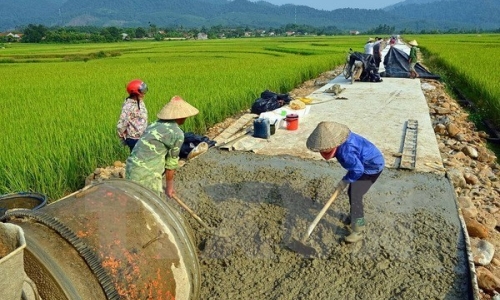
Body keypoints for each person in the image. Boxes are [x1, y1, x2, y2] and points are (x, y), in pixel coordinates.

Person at [306, 121, 385, 243]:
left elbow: (358, 170)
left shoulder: (345, 153)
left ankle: (358, 230)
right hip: (364, 162)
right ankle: (353, 217)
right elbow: (356, 167)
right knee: (352, 192)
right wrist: (347, 180)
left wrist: (345, 180)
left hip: (372, 168)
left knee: (355, 195)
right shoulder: (343, 141)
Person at [125, 95, 199, 198]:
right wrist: (169, 188)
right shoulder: (177, 133)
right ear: (180, 116)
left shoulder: (155, 124)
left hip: (131, 168)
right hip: (147, 175)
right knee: (151, 206)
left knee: (134, 202)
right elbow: (171, 165)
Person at [116, 79, 149, 152]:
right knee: (137, 160)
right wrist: (121, 135)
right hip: (134, 139)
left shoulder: (140, 102)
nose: (144, 94)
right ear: (135, 93)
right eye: (142, 92)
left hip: (143, 136)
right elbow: (122, 122)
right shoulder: (128, 107)